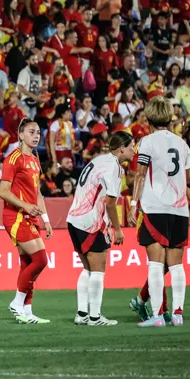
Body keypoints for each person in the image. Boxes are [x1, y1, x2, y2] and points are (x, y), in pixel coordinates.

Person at [127, 97, 190, 327]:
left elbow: (140, 174)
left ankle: (157, 316)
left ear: (148, 118)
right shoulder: (182, 144)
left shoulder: (147, 141)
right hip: (178, 210)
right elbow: (188, 179)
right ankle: (178, 315)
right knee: (176, 265)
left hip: (155, 208)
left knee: (155, 264)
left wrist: (133, 203)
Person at [68, 131, 136, 327]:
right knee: (98, 270)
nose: (134, 150)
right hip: (91, 222)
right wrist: (118, 230)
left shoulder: (99, 160)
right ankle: (95, 317)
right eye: (131, 146)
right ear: (121, 148)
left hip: (74, 219)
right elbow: (110, 204)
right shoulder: (113, 167)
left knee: (88, 269)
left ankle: (82, 314)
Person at [0, 118, 53, 324]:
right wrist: (25, 206)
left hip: (30, 216)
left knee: (28, 263)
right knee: (41, 260)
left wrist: (46, 219)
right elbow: (3, 191)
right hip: (16, 216)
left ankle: (27, 312)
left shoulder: (35, 160)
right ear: (20, 135)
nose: (36, 136)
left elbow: (37, 193)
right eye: (31, 132)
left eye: (38, 132)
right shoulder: (14, 159)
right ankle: (17, 302)